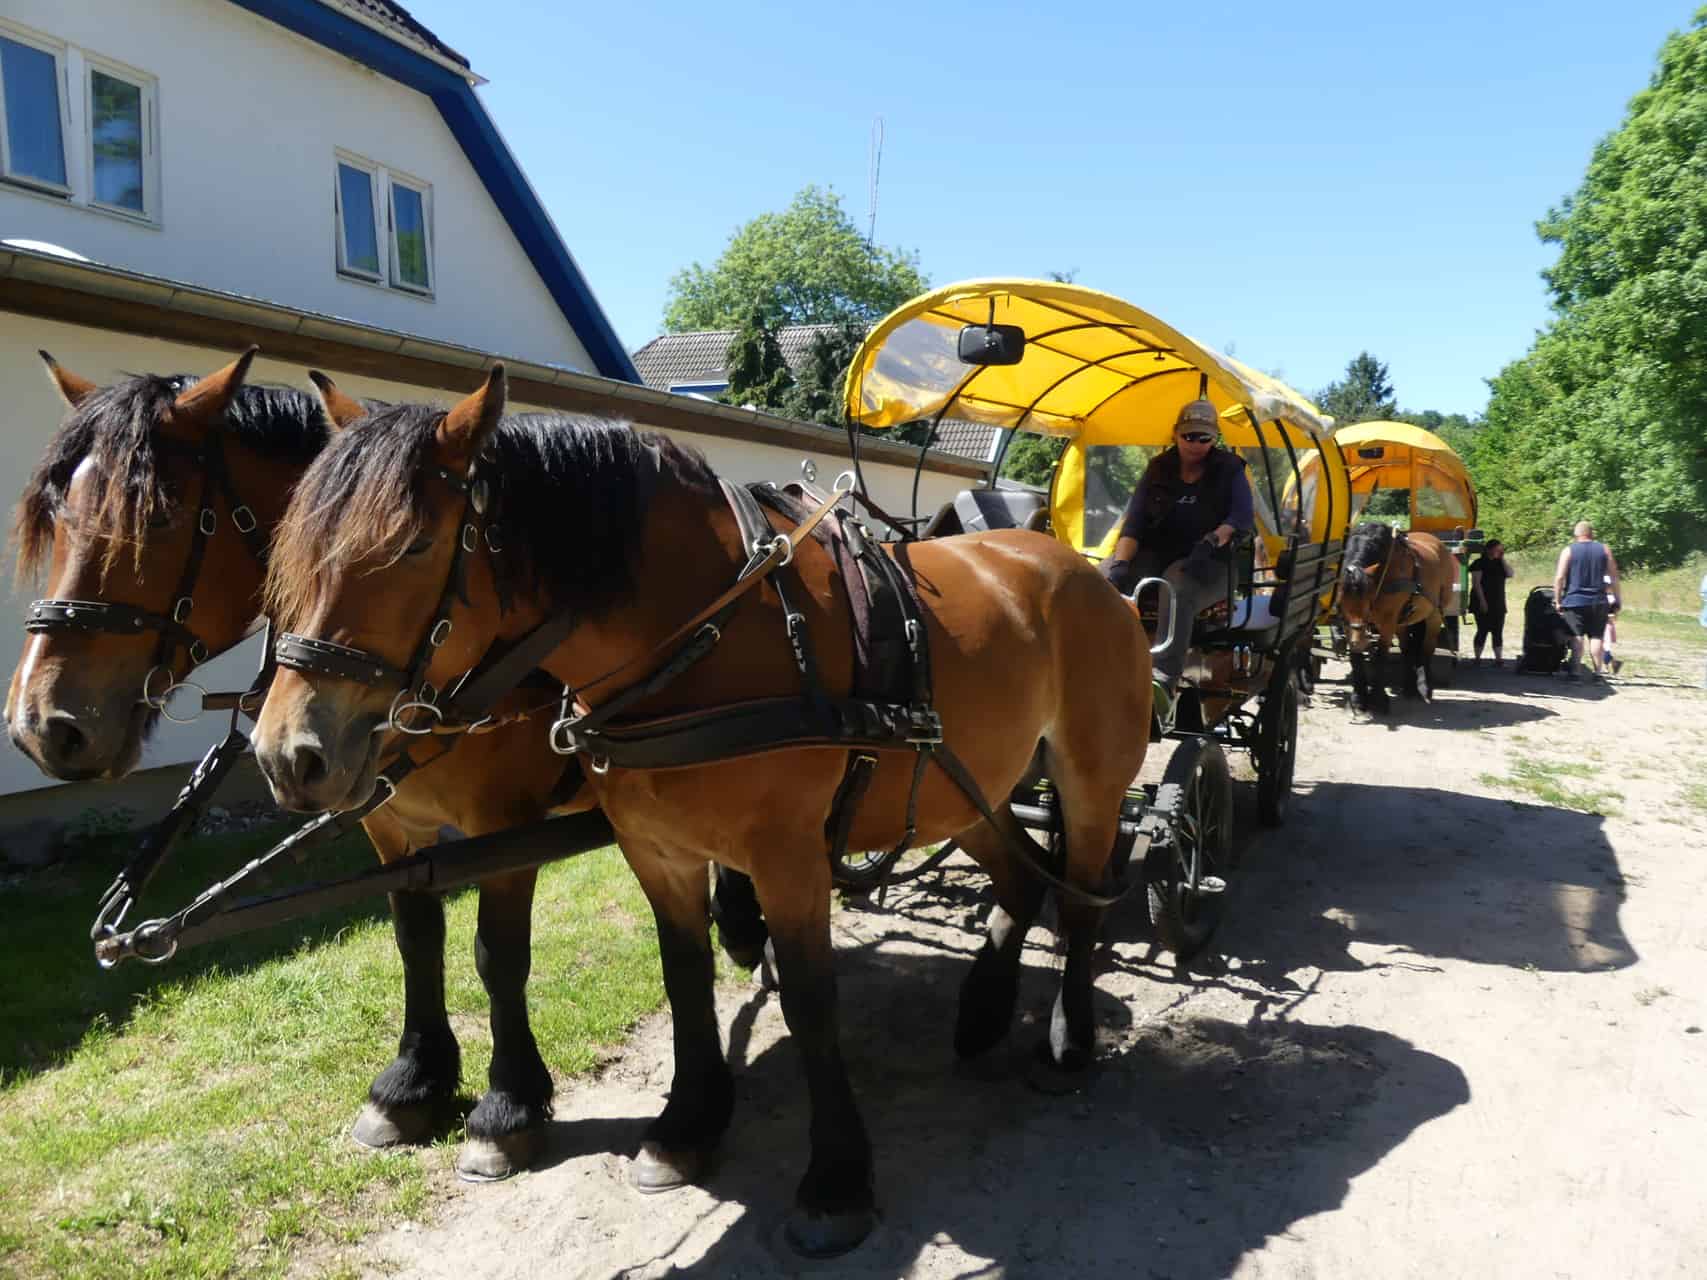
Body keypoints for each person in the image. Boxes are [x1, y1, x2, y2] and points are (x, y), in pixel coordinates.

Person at [1100, 399, 1255, 705]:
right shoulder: (1158, 468)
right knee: (1097, 578)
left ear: (1214, 438)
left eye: (1204, 438)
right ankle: (1094, 660)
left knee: (1175, 585)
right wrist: (1119, 565)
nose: (1196, 444)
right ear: (1175, 434)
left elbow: (1241, 518)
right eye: (1189, 436)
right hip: (1156, 554)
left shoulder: (1230, 469)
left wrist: (1212, 541)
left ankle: (1163, 679)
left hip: (1210, 561)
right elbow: (1134, 524)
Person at [1552, 520, 1621, 680]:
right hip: (1599, 601)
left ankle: (1575, 673)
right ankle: (1598, 673)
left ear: (1576, 535)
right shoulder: (1604, 549)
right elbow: (1614, 576)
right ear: (1591, 533)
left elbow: (1560, 577)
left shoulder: (1569, 550)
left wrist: (1558, 600)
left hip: (1575, 600)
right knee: (1596, 637)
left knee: (1577, 636)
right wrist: (1617, 599)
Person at [1466, 538, 1515, 667]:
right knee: (1482, 630)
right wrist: (1482, 602)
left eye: (1501, 550)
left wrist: (1502, 559)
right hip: (1481, 600)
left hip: (1498, 602)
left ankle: (1498, 659)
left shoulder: (1500, 564)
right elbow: (1476, 584)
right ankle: (1477, 658)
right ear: (1489, 550)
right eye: (1497, 549)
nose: (1499, 552)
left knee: (1497, 631)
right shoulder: (1479, 563)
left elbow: (1510, 574)